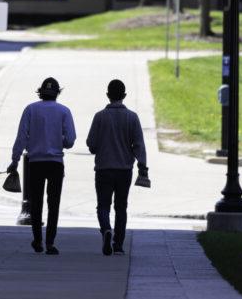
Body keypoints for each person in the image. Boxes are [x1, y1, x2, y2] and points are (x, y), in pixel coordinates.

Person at [8, 77, 76, 255]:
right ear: (57, 93)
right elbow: (70, 141)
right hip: (55, 164)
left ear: (41, 92)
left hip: (35, 163)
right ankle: (50, 242)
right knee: (54, 204)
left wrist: (14, 161)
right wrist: (57, 139)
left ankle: (37, 240)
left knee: (35, 203)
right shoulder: (64, 111)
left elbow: (21, 138)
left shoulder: (31, 109)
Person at [85, 79, 148, 256]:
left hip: (104, 169)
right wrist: (142, 165)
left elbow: (91, 144)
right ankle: (118, 244)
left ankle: (106, 229)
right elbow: (139, 145)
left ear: (107, 95)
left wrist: (98, 147)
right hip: (124, 170)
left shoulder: (100, 117)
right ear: (124, 96)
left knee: (103, 205)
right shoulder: (132, 117)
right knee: (121, 207)